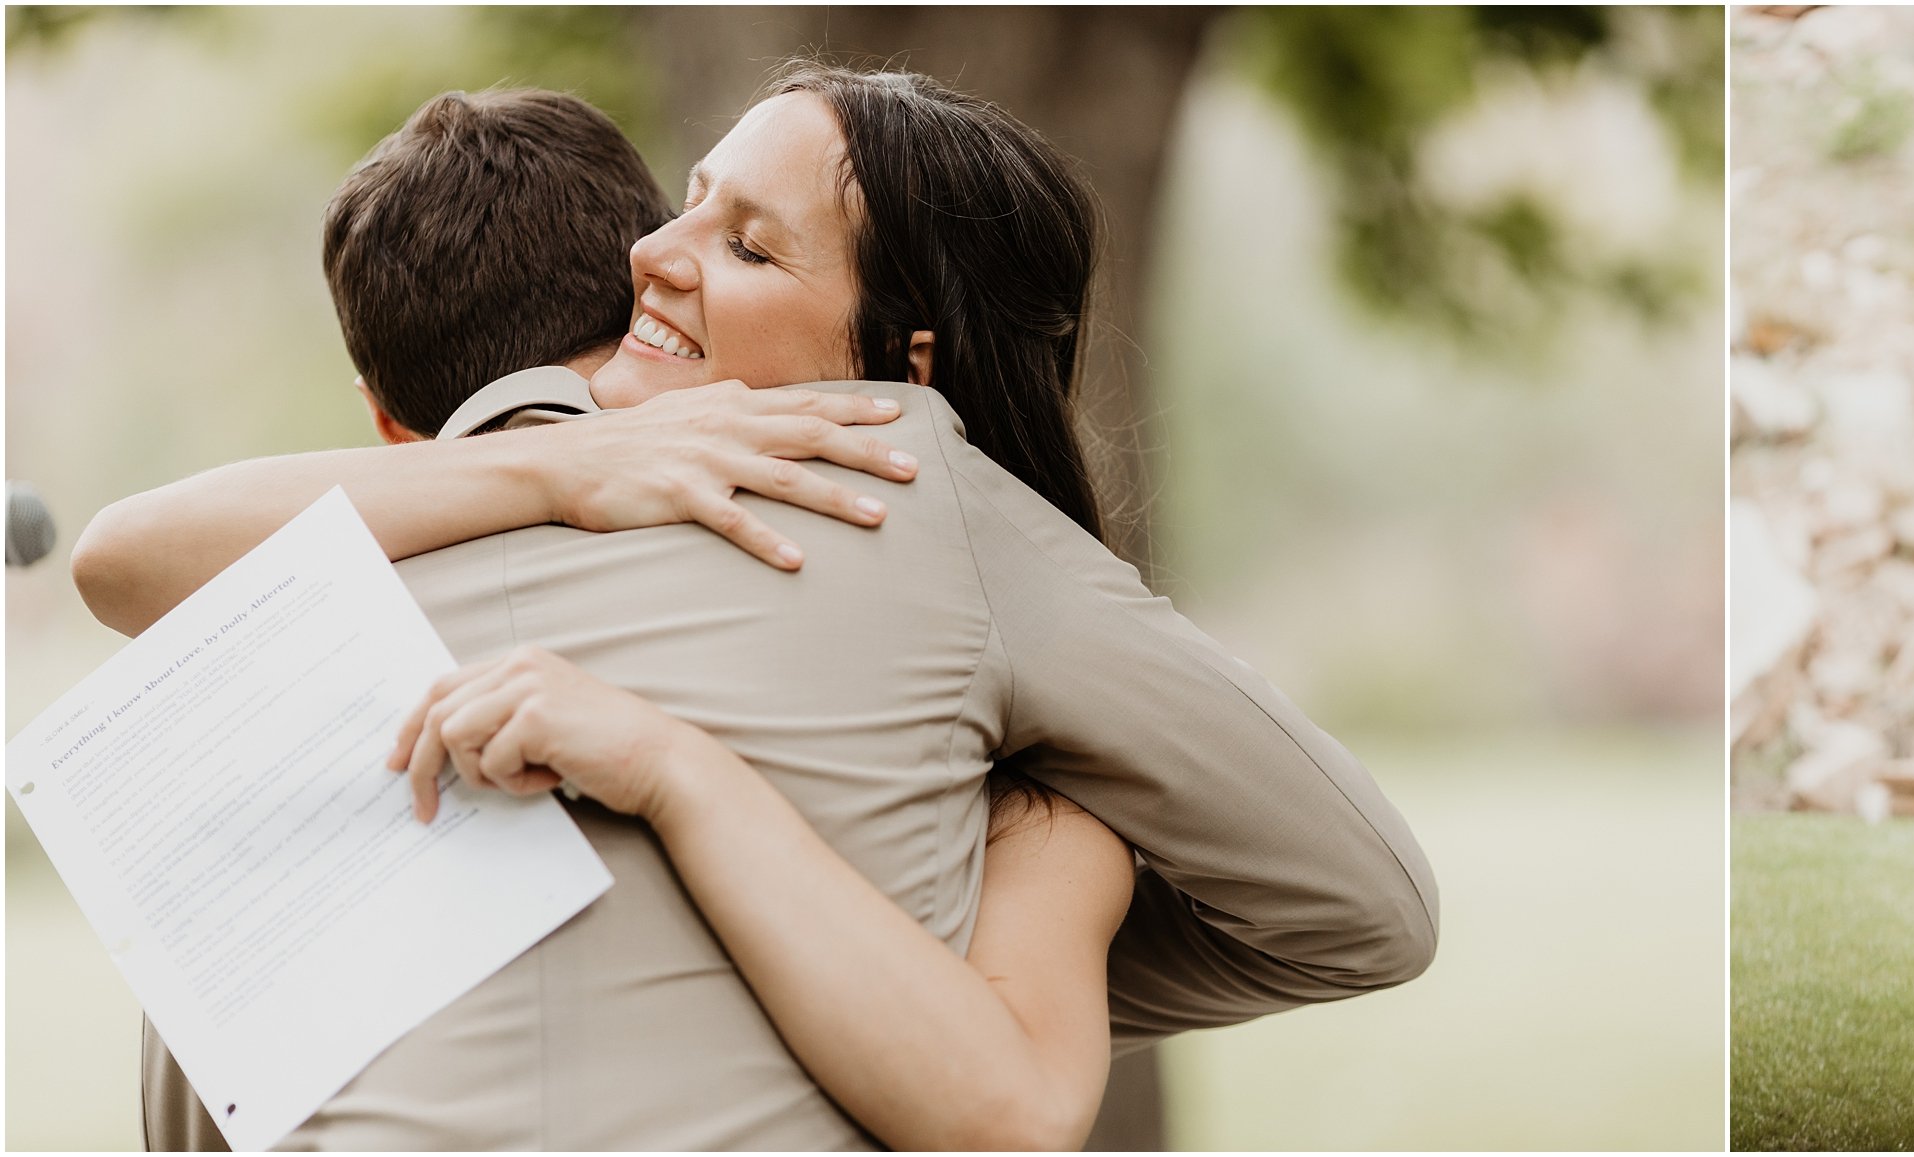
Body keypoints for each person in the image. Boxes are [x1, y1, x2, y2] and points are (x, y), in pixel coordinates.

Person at [76, 72, 1437, 1150]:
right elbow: (1362, 906)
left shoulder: (276, 614)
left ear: (901, 354)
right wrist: (939, 931)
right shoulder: (920, 518)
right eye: (682, 206)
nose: (652, 258)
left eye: (746, 242)